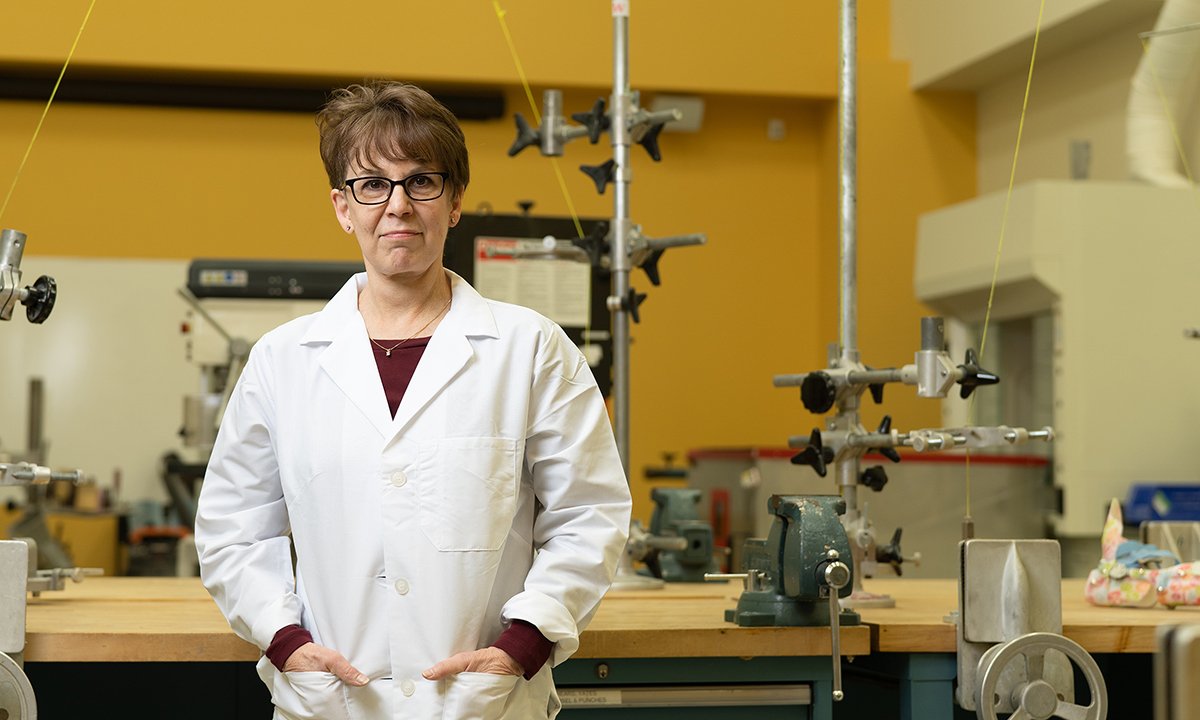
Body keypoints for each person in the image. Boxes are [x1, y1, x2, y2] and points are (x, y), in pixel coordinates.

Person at [195, 81, 632, 720]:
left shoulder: (530, 349)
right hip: (335, 700)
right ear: (343, 207)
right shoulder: (283, 361)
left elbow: (589, 513)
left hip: (482, 701)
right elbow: (234, 529)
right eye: (372, 184)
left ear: (454, 203)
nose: (397, 205)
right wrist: (285, 641)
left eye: (421, 181)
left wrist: (522, 645)